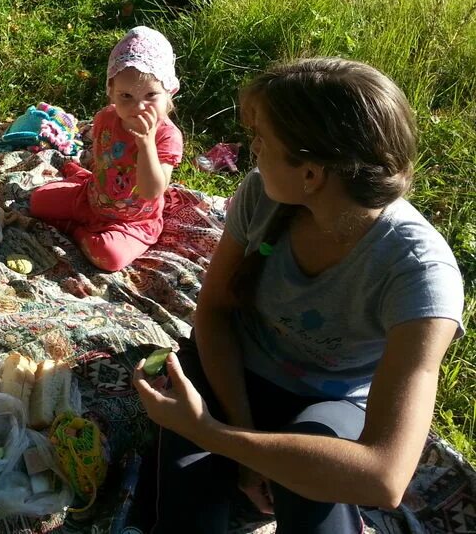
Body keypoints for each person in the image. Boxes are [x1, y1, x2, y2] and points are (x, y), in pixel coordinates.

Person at [132, 58, 465, 533]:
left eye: (262, 140)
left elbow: (383, 476)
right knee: (186, 509)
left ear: (310, 175)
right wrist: (242, 439)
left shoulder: (419, 276)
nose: (253, 150)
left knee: (315, 490)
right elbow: (216, 311)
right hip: (238, 372)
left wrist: (214, 434)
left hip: (331, 400)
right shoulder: (264, 198)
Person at [28, 26, 184, 272]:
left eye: (151, 95)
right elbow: (104, 162)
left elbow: (152, 190)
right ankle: (79, 189)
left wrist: (145, 144)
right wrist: (90, 178)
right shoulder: (106, 118)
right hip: (91, 198)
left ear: (169, 93)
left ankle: (76, 230)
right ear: (110, 92)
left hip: (133, 221)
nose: (139, 106)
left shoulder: (166, 136)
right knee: (36, 201)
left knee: (109, 258)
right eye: (126, 96)